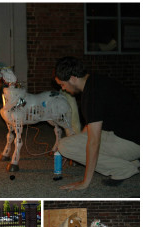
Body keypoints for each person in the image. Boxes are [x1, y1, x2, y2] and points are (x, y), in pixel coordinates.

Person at [54, 56, 140, 190]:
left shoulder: (92, 96)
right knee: (71, 144)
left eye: (62, 84)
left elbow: (94, 142)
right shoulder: (95, 81)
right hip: (127, 135)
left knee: (65, 146)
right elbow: (91, 124)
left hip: (133, 143)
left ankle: (124, 168)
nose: (63, 89)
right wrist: (78, 142)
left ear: (72, 78)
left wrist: (85, 182)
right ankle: (133, 161)